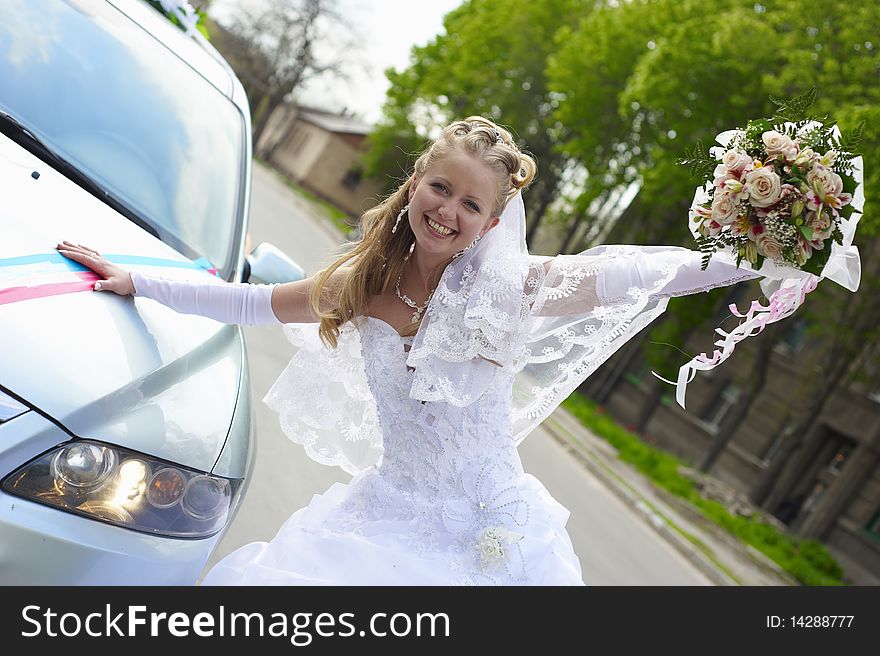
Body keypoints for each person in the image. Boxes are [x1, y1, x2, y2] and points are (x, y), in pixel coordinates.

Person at [57, 116, 764, 585]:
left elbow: (636, 274)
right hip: (383, 520)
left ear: (490, 226)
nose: (447, 211)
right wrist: (140, 281)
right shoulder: (361, 285)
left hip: (489, 541)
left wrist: (757, 256)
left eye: (471, 205)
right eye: (439, 188)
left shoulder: (512, 291)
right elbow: (251, 304)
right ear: (414, 184)